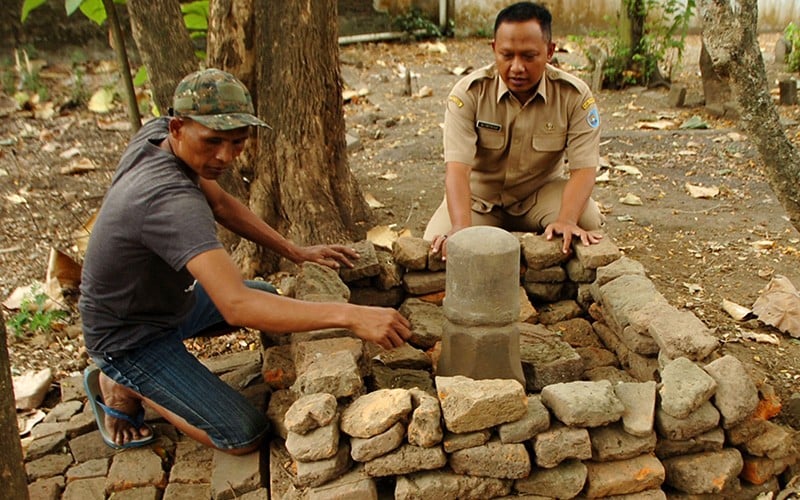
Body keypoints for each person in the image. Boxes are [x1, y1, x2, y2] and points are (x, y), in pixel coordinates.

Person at [78, 68, 412, 454]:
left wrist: (294, 250)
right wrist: (350, 315)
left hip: (167, 304)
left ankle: (158, 375)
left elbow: (220, 203)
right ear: (177, 127)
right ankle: (124, 383)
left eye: (237, 142)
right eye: (212, 141)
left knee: (266, 295)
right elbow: (236, 306)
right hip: (128, 337)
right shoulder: (168, 200)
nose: (224, 156)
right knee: (243, 435)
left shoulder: (159, 139)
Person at [424, 1, 605, 257]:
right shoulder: (469, 94)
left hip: (538, 197)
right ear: (494, 49)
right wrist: (461, 228)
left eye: (529, 56)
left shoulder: (574, 96)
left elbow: (584, 169)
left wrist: (566, 219)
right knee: (435, 246)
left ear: (550, 51)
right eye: (507, 55)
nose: (517, 67)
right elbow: (457, 170)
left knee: (585, 222)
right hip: (478, 201)